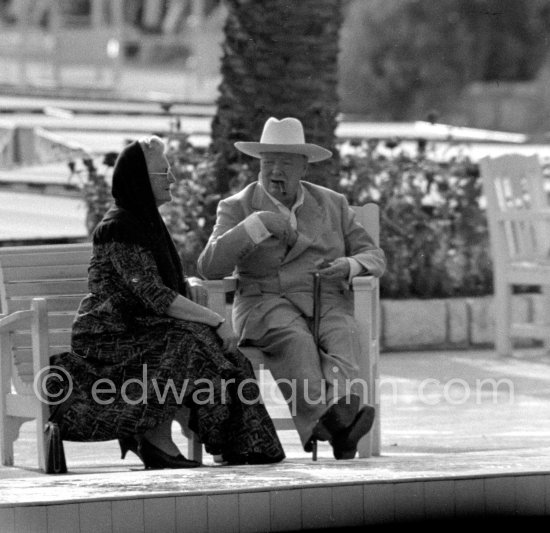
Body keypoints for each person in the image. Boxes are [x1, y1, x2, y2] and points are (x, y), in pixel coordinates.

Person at [48, 136, 285, 469]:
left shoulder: (146, 223)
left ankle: (244, 445)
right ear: (141, 180)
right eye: (164, 173)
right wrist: (216, 319)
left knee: (218, 348)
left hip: (142, 330)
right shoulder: (118, 228)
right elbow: (155, 295)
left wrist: (195, 296)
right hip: (108, 338)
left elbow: (161, 286)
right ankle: (169, 442)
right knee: (190, 341)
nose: (172, 180)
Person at [198, 117, 386, 459]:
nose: (275, 172)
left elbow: (373, 254)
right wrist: (256, 224)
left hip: (325, 299)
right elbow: (210, 266)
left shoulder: (333, 204)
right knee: (295, 340)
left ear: (303, 167)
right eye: (268, 163)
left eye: (285, 163)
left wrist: (350, 266)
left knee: (343, 330)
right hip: (265, 303)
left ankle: (340, 423)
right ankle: (337, 425)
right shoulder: (237, 206)